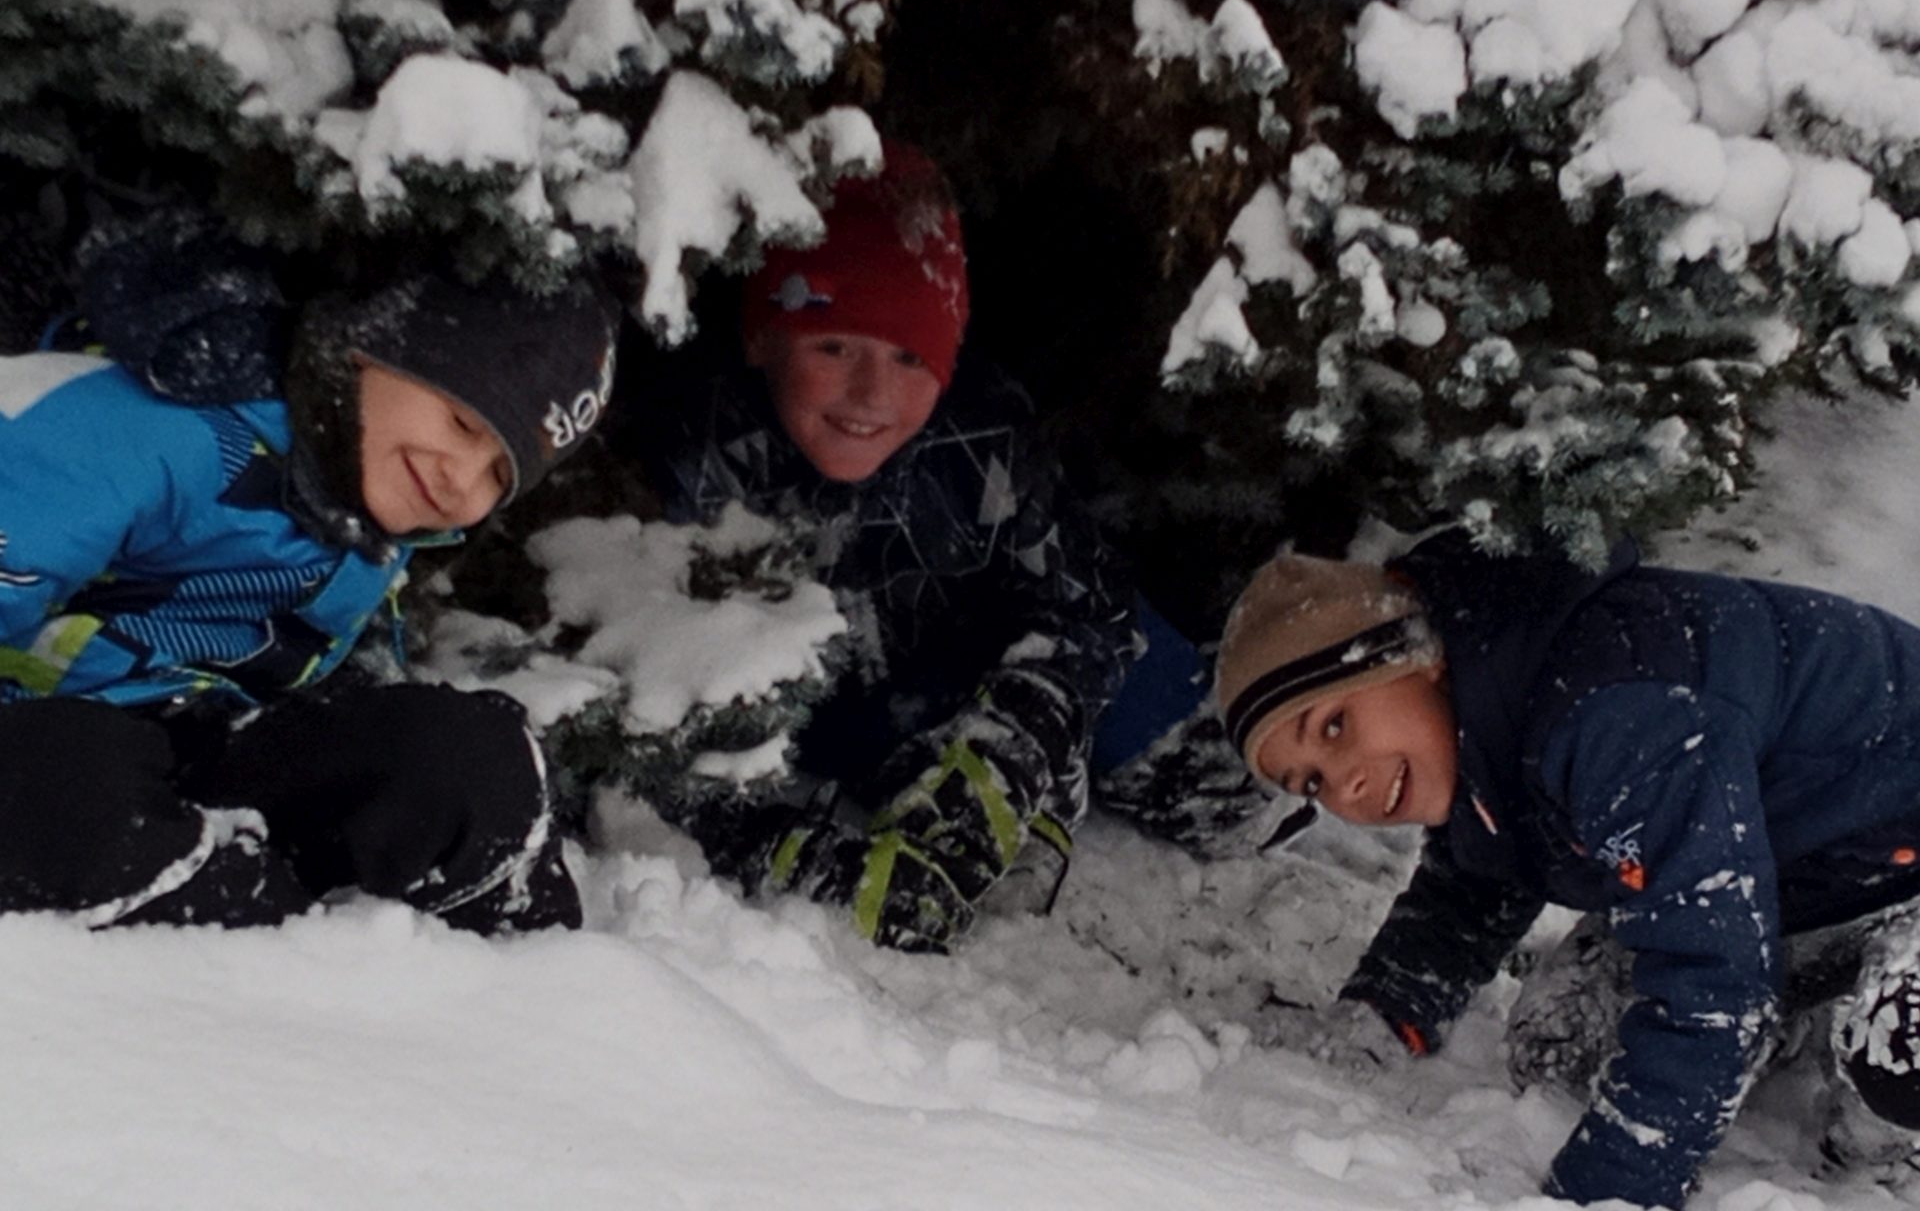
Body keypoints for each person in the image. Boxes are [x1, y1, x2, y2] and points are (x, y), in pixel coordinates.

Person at [1213, 528, 1920, 1207]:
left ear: (1413, 656)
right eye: (1311, 783)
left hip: (1896, 855)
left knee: (1900, 1045)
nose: (1346, 785)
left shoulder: (1615, 704)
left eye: (1335, 726)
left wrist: (1603, 1195)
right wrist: (1381, 1016)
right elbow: (1477, 882)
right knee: (1558, 1048)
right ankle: (1816, 994)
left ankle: (1887, 1117)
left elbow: (1711, 983)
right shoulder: (1487, 721)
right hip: (1809, 885)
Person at [0, 212, 618, 933]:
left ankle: (528, 974)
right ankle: (246, 932)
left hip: (196, 750)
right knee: (69, 775)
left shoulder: (364, 502)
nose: (462, 482)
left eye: (499, 475)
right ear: (368, 348)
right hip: (43, 739)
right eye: (461, 424)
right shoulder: (146, 429)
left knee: (475, 762)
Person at [627, 142, 1136, 953]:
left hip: (934, 687)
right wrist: (807, 862)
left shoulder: (985, 439)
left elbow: (1090, 611)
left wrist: (1008, 761)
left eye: (910, 356)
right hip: (788, 726)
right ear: (763, 339)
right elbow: (630, 726)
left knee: (1157, 716)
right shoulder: (699, 458)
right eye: (833, 347)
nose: (872, 395)